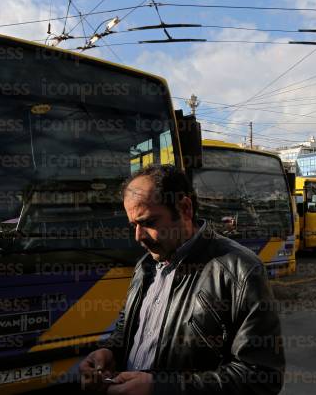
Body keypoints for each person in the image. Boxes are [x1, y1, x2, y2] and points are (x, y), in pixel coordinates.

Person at [79, 165, 285, 395]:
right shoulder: (146, 265)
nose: (138, 237)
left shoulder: (240, 270)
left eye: (148, 222)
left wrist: (160, 388)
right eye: (133, 225)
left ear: (185, 208)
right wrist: (110, 353)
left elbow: (261, 377)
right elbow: (127, 328)